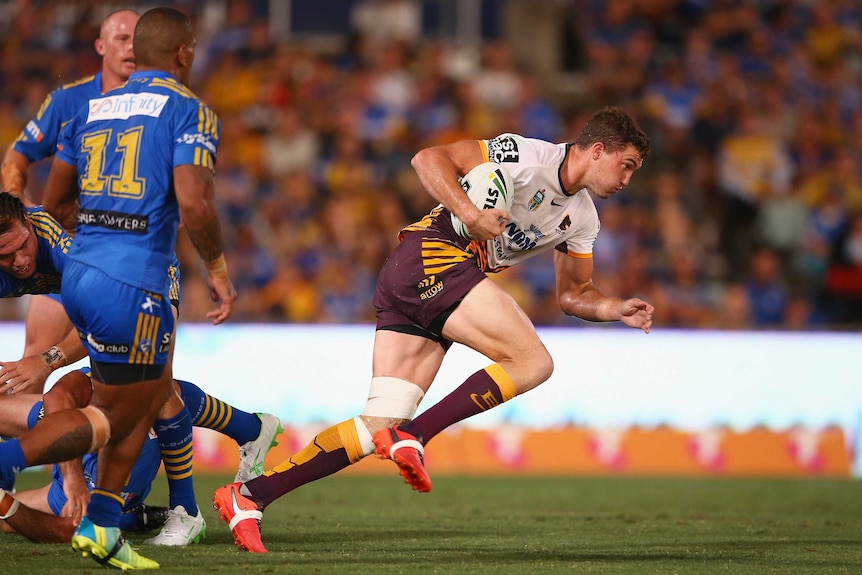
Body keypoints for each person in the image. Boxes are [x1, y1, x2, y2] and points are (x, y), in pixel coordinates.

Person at [213, 106, 654, 553]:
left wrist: (614, 308)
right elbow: (427, 158)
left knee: (378, 423)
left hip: (421, 279)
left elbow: (574, 294)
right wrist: (469, 212)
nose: (626, 180)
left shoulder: (582, 219)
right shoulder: (523, 154)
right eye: (627, 166)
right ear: (598, 151)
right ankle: (415, 436)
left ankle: (249, 496)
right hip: (434, 253)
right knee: (533, 362)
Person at [0, 7, 236, 571]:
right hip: (136, 281)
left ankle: (103, 525)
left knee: (142, 400)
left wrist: (94, 242)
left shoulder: (91, 108)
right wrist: (218, 270)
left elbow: (55, 201)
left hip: (80, 274)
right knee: (110, 417)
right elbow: (195, 201)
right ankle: (8, 461)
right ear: (183, 54)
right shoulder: (189, 109)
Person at [1, 8, 138, 372]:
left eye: (141, 40)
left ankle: (249, 426)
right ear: (100, 45)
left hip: (128, 257)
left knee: (130, 376)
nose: (133, 48)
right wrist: (16, 197)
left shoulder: (167, 105)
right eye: (123, 38)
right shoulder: (67, 101)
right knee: (30, 366)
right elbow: (17, 155)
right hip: (64, 246)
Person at [0, 367, 281, 544]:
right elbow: (67, 530)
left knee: (147, 392)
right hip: (93, 485)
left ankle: (248, 431)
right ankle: (148, 516)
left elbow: (58, 398)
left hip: (80, 465)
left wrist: (72, 477)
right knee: (154, 396)